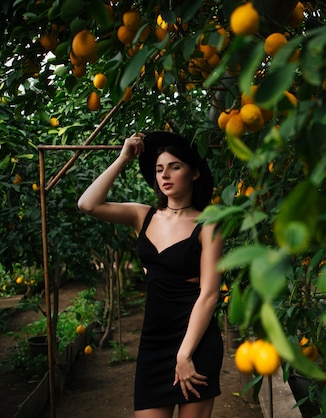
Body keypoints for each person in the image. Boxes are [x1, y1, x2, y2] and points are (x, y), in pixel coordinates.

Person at [77, 131, 223, 418]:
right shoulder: (142, 215)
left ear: (194, 173)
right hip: (154, 342)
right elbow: (87, 204)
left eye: (174, 167)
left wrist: (184, 354)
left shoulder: (209, 225)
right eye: (159, 169)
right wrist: (123, 158)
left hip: (195, 341)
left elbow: (209, 294)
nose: (165, 175)